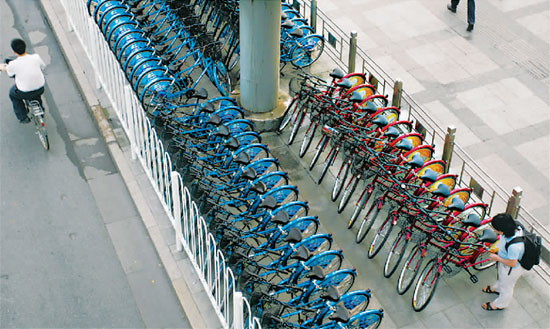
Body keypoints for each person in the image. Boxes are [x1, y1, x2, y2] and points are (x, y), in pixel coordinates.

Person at [482, 213, 525, 311]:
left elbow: (512, 263)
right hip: (505, 264)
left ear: (502, 230)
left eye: (496, 229)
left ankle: (500, 304)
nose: (494, 231)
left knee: (507, 288)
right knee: (502, 278)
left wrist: (497, 258)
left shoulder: (514, 246)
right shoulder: (516, 227)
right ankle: (497, 288)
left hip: (511, 269)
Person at [0, 38, 46, 124]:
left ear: (14, 52)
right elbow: (43, 66)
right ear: (25, 47)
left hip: (24, 92)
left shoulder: (13, 64)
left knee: (13, 94)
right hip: (40, 88)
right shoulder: (36, 57)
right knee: (35, 92)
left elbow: (10, 73)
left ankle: (23, 117)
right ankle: (41, 110)